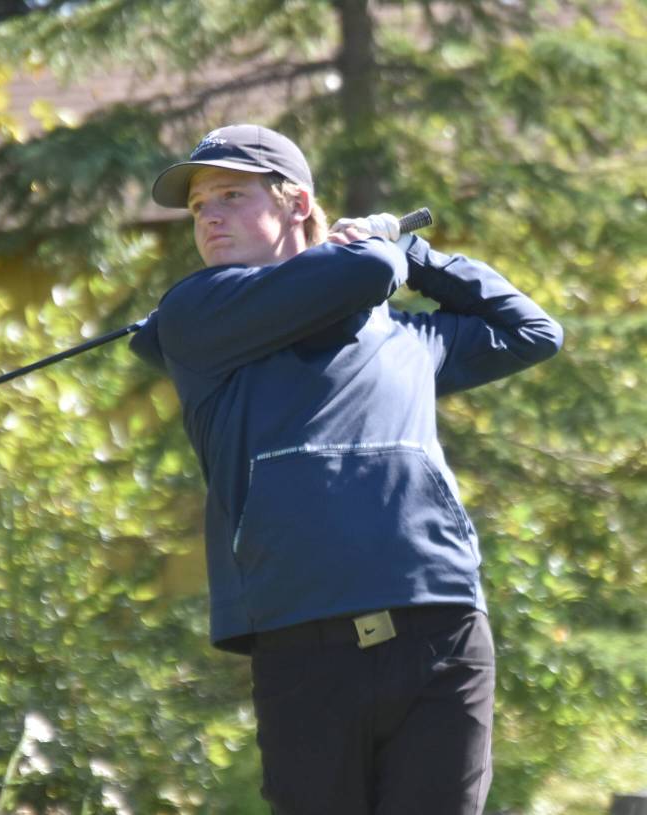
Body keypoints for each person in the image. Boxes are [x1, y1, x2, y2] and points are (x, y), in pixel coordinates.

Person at [129, 124, 563, 815]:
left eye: (231, 196)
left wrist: (415, 255)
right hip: (304, 649)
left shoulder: (406, 339)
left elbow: (533, 332)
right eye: (199, 206)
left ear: (297, 203)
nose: (208, 215)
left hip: (439, 631)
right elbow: (364, 272)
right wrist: (381, 252)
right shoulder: (198, 320)